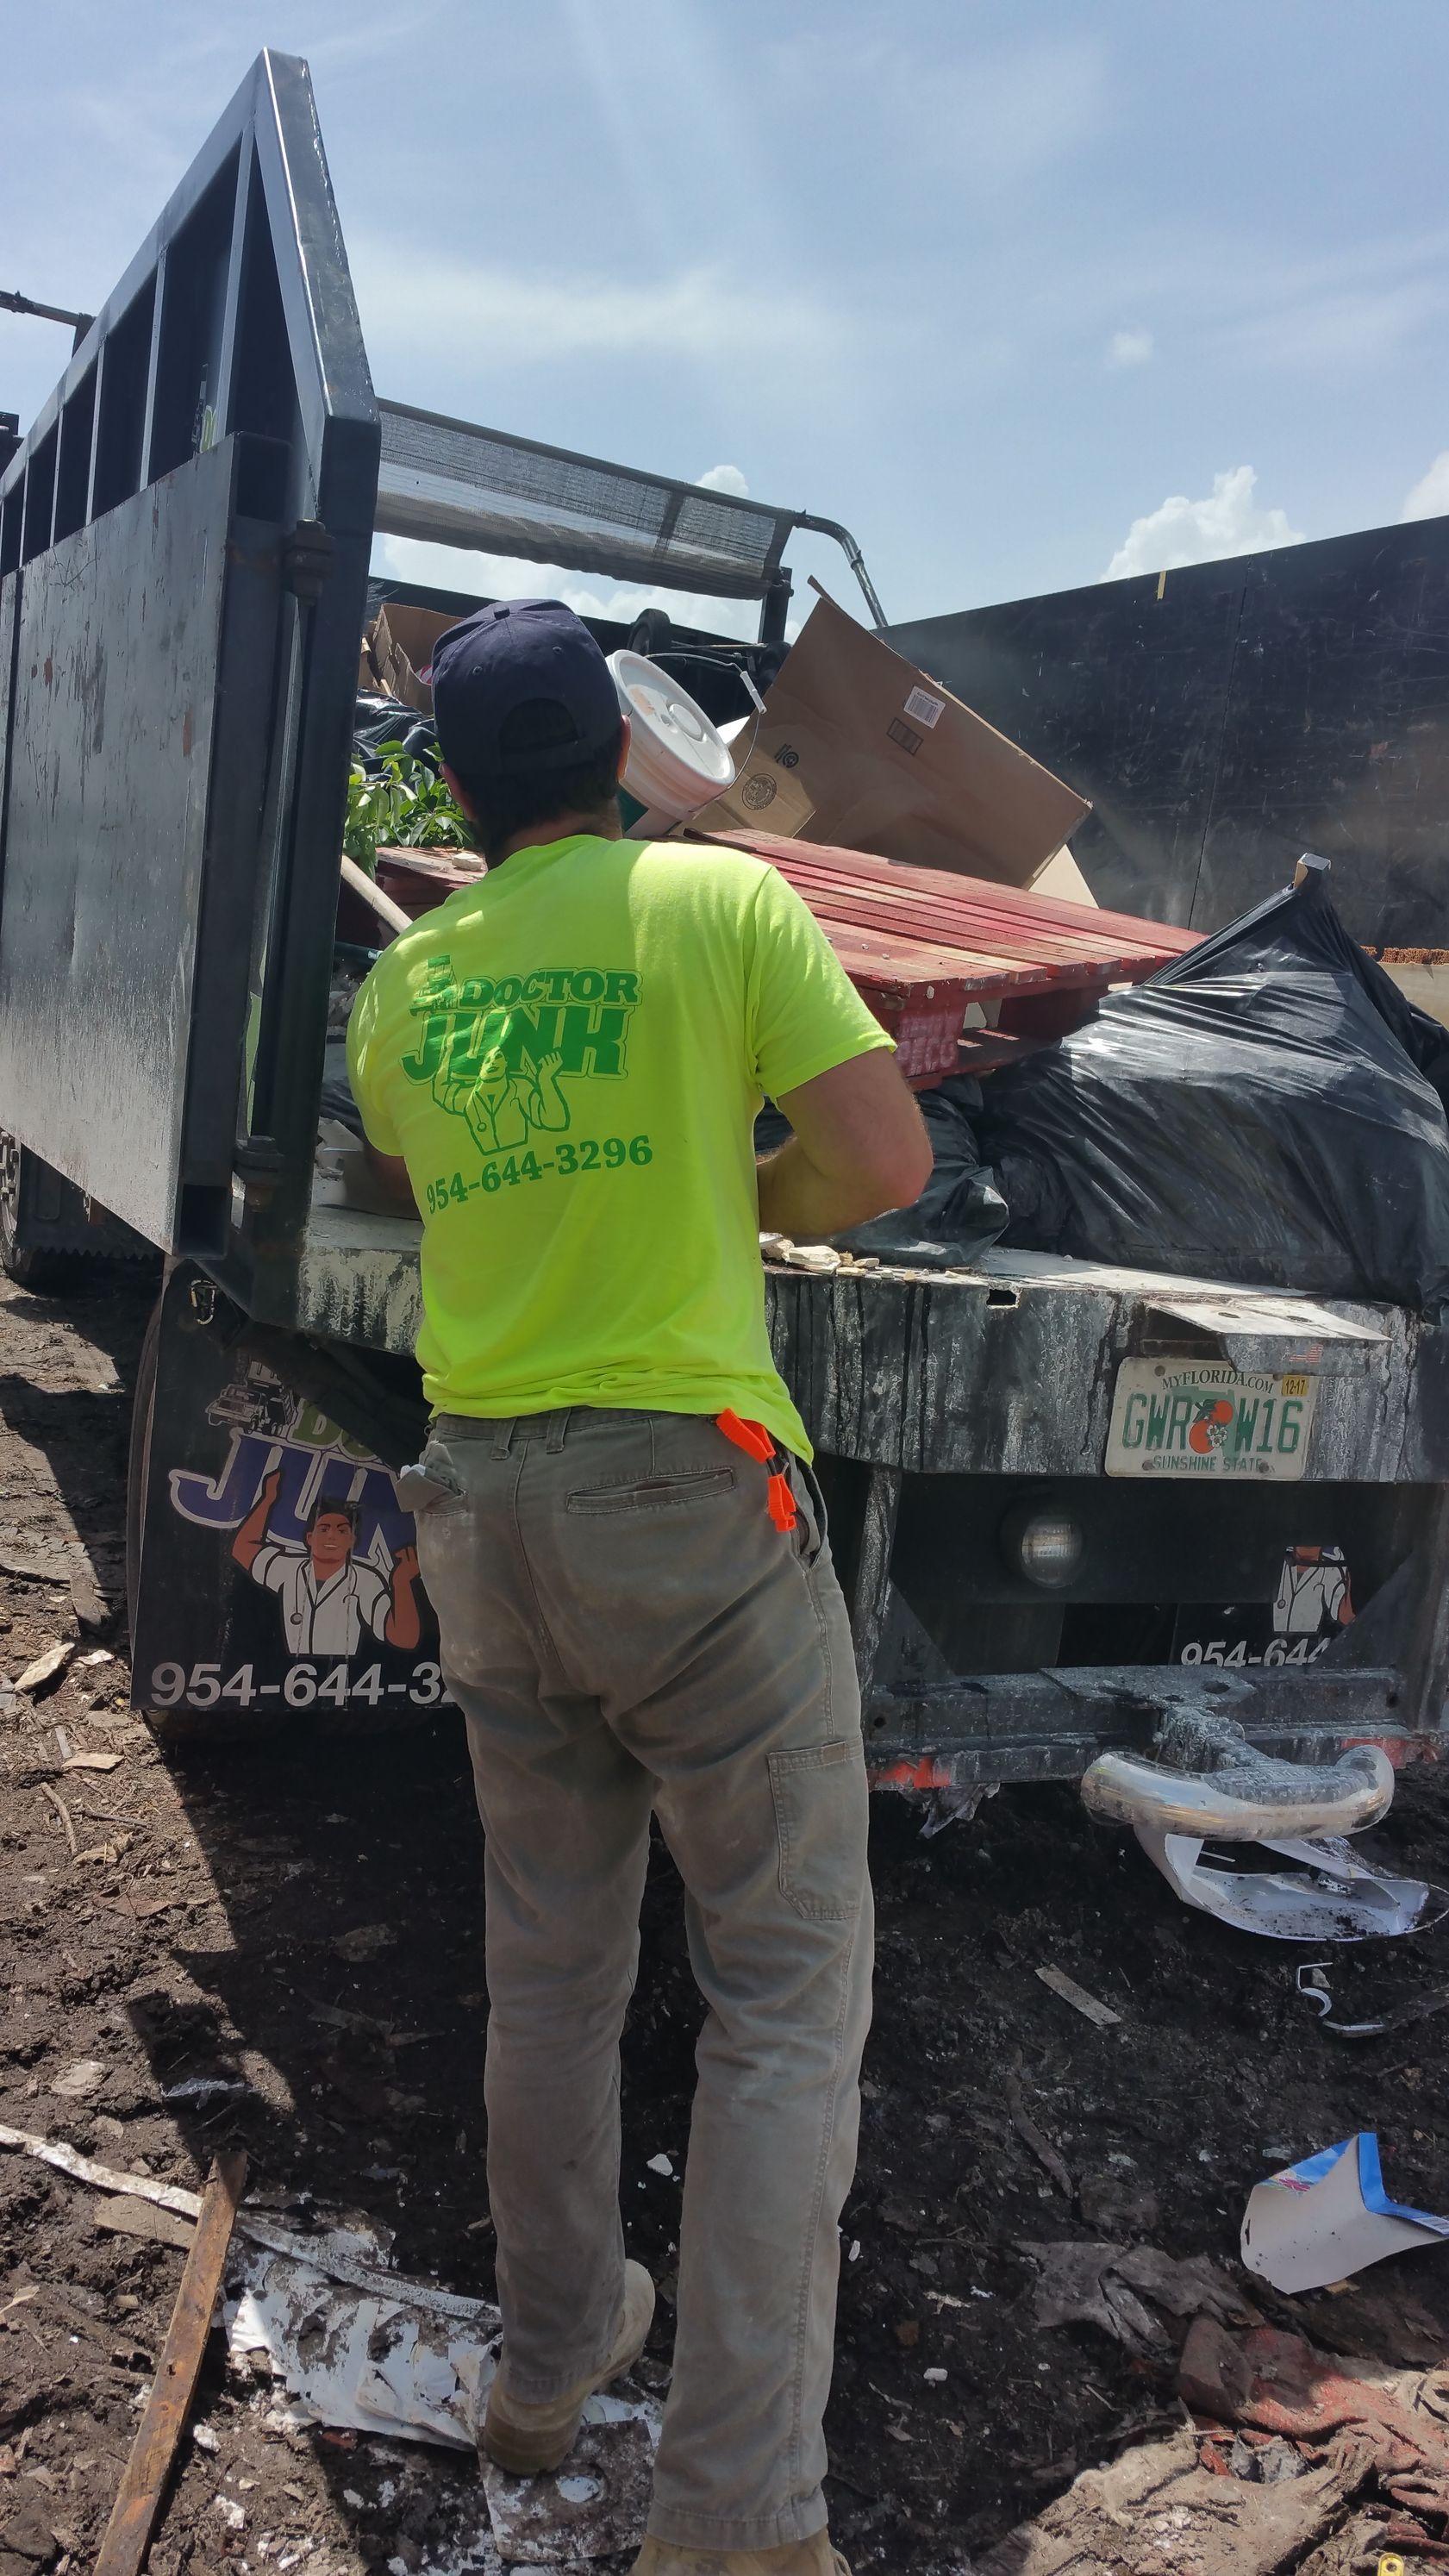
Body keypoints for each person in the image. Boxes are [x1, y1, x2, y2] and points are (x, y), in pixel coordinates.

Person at [347, 599, 932, 2576]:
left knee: (551, 1972)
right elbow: (883, 1157)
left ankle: (542, 2363)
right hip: (686, 1497)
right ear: (620, 749)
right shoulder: (720, 905)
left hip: (483, 1511)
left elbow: (454, 1194)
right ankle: (738, 2515)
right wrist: (734, 1188)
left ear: (449, 781)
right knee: (778, 1994)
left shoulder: (405, 984)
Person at [231, 1473, 422, 1658]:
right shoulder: (289, 1568)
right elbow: (242, 1549)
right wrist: (267, 1499)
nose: (331, 1536)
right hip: (285, 1674)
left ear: (351, 1540)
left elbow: (404, 1639)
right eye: (324, 1529)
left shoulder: (365, 1579)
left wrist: (401, 1583)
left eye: (341, 1531)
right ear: (310, 1538)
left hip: (345, 1679)